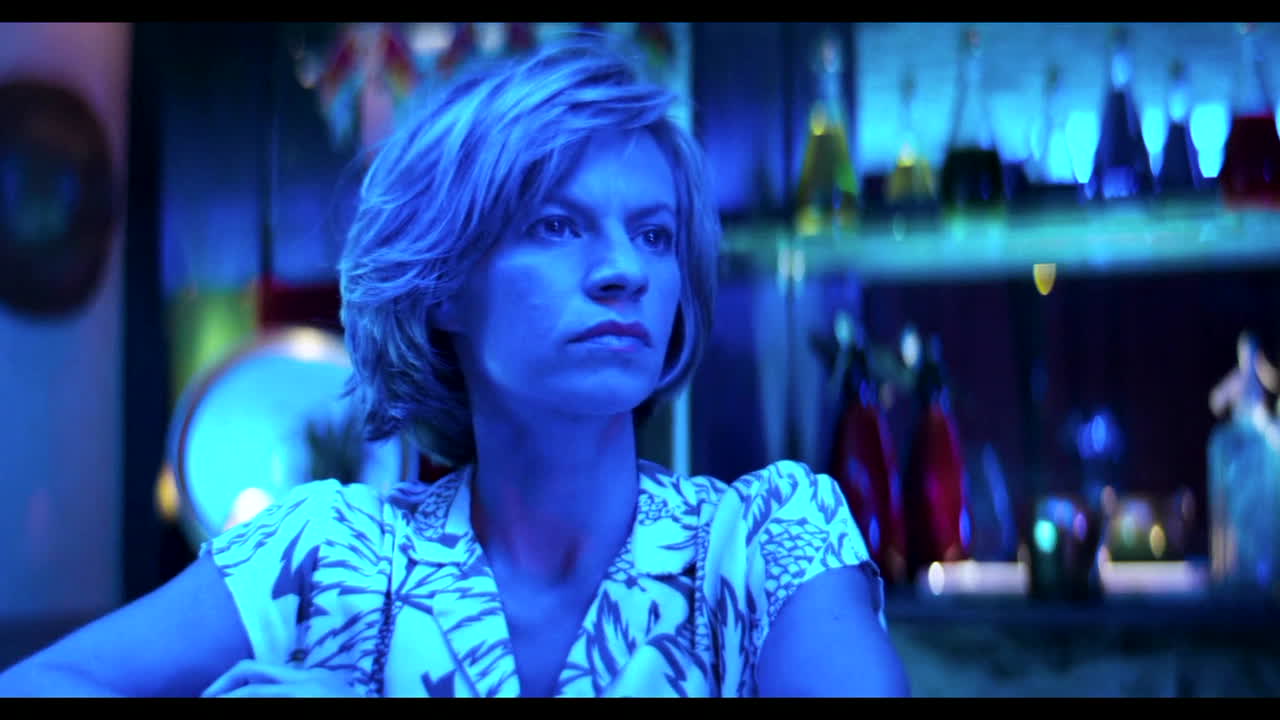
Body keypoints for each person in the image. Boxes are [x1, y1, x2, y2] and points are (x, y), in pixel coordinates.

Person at [0, 35, 909, 698]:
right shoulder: (330, 553)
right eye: (558, 225)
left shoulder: (766, 539)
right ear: (443, 287)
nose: (625, 271)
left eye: (656, 234)